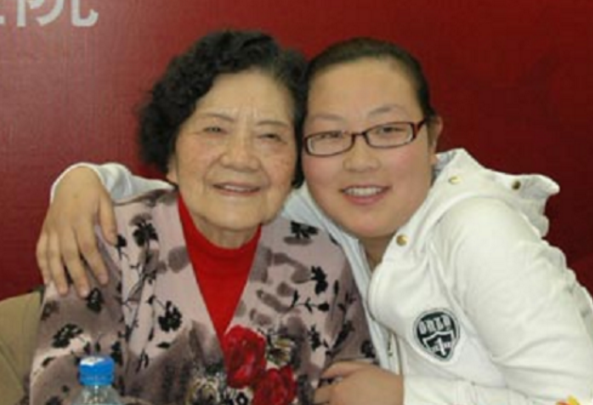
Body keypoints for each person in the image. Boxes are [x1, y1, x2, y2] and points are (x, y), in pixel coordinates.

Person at [36, 37, 593, 404]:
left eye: (270, 136)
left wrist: (409, 396)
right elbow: (212, 192)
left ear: (432, 138)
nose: (359, 161)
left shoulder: (469, 233)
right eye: (329, 135)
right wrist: (83, 180)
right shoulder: (107, 241)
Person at [28, 30, 375, 405]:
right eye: (215, 130)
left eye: (270, 136)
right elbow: (63, 396)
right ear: (171, 154)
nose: (240, 158)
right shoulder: (110, 244)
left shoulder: (324, 265)